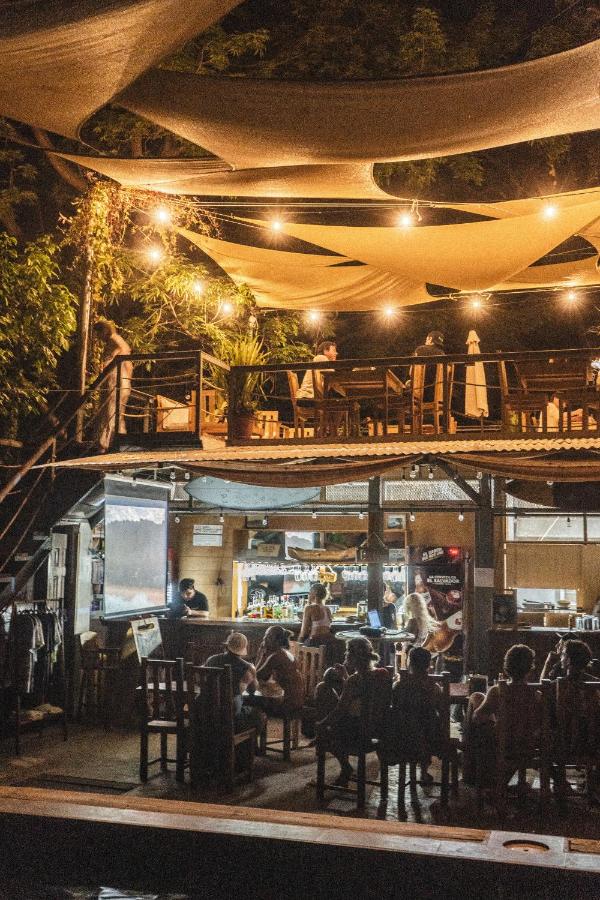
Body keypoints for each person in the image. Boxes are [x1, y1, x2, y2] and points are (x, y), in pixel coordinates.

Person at [317, 636, 391, 786]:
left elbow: (340, 710)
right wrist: (346, 676)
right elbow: (362, 693)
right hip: (378, 728)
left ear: (353, 656)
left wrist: (322, 724)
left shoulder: (354, 681)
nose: (345, 655)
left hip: (357, 732)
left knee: (323, 734)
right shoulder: (382, 674)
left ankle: (345, 767)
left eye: (347, 652)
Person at [463, 644, 541, 787]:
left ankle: (470, 768)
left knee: (475, 702)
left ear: (507, 666)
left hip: (499, 745)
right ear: (530, 667)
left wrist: (494, 719)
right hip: (527, 748)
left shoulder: (497, 691)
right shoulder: (536, 695)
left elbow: (477, 717)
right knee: (477, 698)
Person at [391, 647, 441, 784]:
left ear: (409, 663)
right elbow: (441, 710)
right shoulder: (433, 687)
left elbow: (394, 708)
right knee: (429, 723)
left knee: (417, 726)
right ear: (428, 664)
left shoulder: (399, 685)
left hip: (403, 735)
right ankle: (424, 771)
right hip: (428, 737)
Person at [206, 632, 266, 734]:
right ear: (244, 648)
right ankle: (248, 748)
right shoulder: (247, 667)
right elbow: (252, 690)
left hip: (207, 712)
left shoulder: (211, 660)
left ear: (227, 645)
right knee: (259, 715)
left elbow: (200, 681)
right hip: (229, 716)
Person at [245, 625, 304, 716]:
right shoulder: (285, 652)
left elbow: (257, 676)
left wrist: (262, 654)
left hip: (288, 702)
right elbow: (262, 677)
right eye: (265, 635)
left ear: (277, 641)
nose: (264, 638)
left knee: (246, 700)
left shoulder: (276, 656)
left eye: (268, 636)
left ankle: (256, 727)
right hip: (296, 699)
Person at [93, 318, 133, 452]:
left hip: (115, 380)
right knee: (116, 413)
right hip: (121, 380)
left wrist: (110, 361)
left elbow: (121, 349)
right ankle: (118, 441)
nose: (99, 338)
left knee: (108, 411)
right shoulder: (117, 339)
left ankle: (103, 444)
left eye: (99, 334)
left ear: (104, 331)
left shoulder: (113, 339)